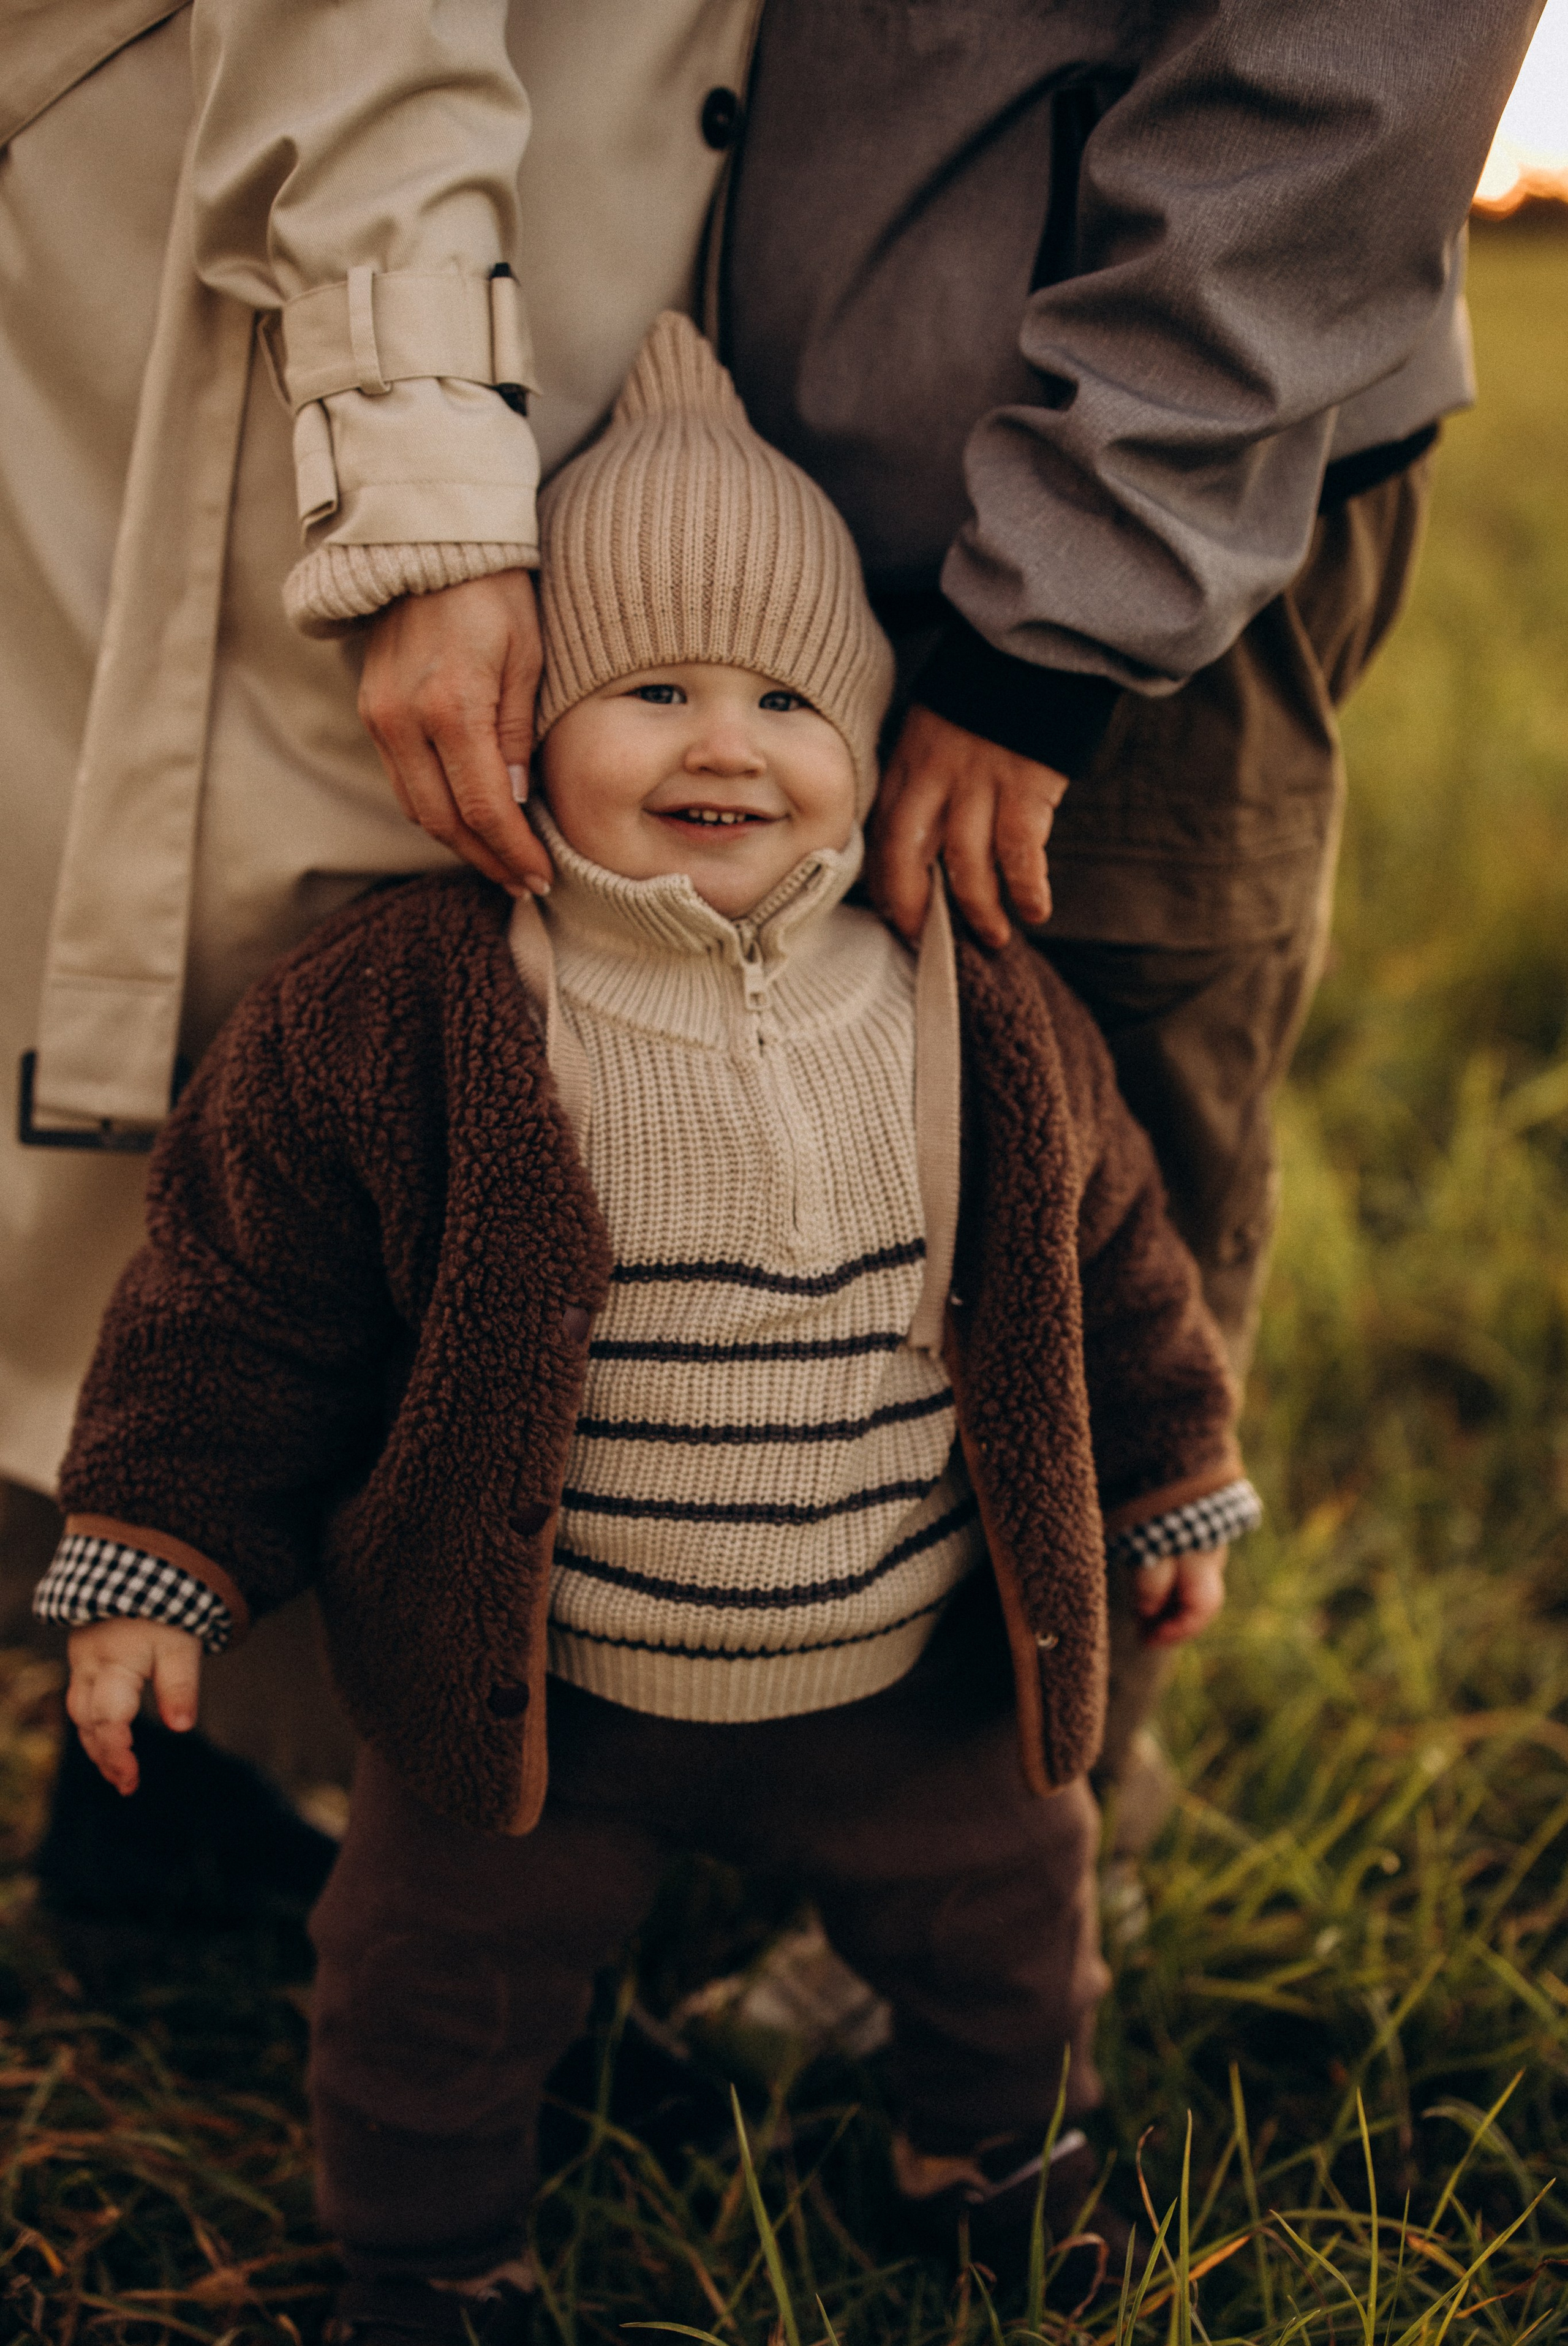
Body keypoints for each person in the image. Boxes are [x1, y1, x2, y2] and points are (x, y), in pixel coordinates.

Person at [2, 0, 1536, 1838]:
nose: (718, 756)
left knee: (1066, 1094)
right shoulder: (410, 995)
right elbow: (264, 1258)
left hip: (1167, 461)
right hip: (769, 446)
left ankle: (1015, 1843)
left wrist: (1079, 591)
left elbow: (1369, 49)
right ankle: (656, 1794)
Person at [37, 318, 1259, 2344]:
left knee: (1007, 1930)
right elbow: (236, 1294)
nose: (726, 740)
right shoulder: (420, 1008)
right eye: (652, 687)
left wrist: (1170, 1477)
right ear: (525, 730)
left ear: (865, 749)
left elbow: (1106, 1256)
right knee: (425, 1978)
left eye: (789, 694)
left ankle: (988, 2150)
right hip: (545, 1706)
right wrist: (157, 1545)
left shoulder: (969, 1005)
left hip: (906, 1677)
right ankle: (435, 2263)